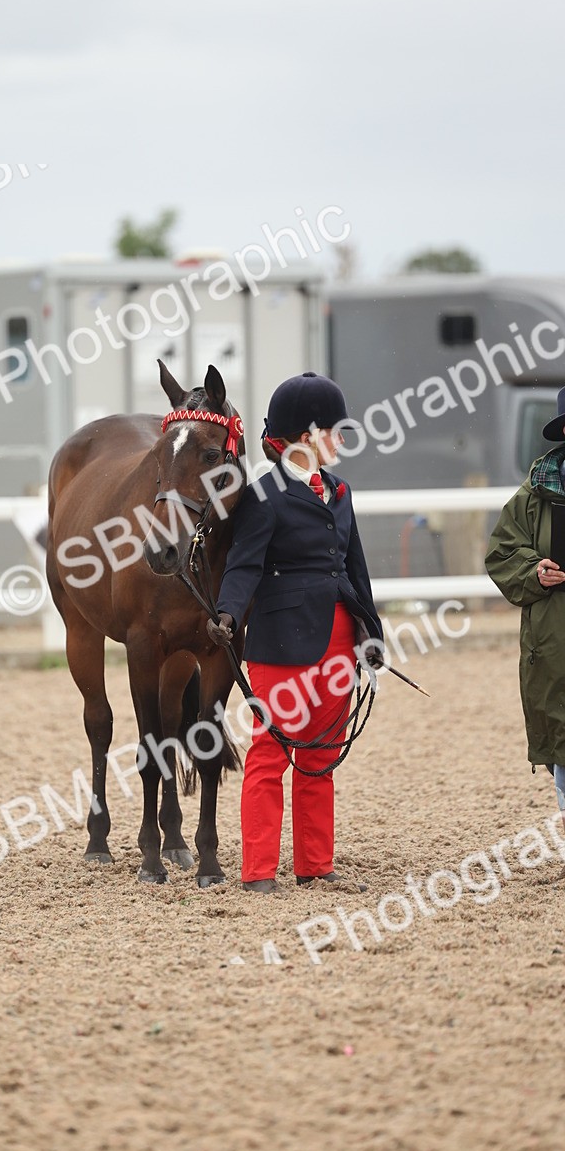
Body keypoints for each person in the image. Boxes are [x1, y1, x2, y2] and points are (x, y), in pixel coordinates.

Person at [206, 372, 384, 893]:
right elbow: (244, 566)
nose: (342, 440)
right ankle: (259, 871)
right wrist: (228, 614)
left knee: (320, 755)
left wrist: (371, 632)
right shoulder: (264, 495)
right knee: (269, 755)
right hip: (281, 638)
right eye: (336, 430)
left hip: (337, 636)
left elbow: (356, 568)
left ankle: (314, 864)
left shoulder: (340, 491)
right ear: (308, 435)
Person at [485, 385, 565, 821]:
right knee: (562, 740)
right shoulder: (534, 494)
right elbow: (502, 552)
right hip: (553, 637)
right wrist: (535, 572)